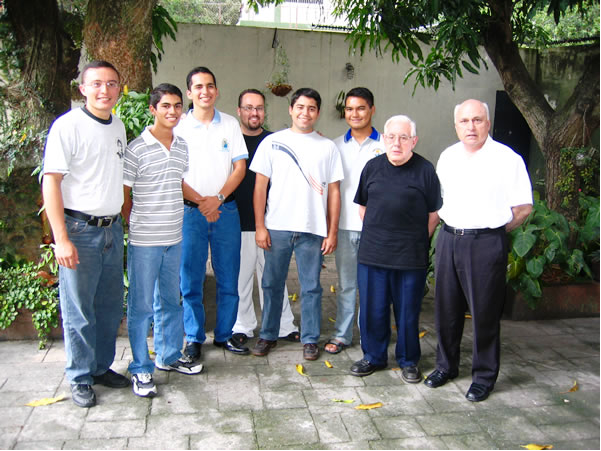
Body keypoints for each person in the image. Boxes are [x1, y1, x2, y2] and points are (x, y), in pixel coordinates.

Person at [424, 99, 533, 402]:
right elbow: (439, 200)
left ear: (488, 123)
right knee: (446, 309)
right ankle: (446, 367)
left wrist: (494, 231)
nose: (470, 126)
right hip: (449, 239)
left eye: (477, 120)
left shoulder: (507, 158)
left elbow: (523, 208)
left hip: (486, 243)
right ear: (455, 125)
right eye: (464, 121)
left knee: (484, 313)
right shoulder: (448, 156)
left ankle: (483, 377)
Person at [42, 60, 130, 408]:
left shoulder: (118, 126)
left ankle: (100, 367)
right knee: (79, 310)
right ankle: (79, 376)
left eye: (111, 83)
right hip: (79, 231)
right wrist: (61, 238)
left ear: (119, 88)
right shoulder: (67, 126)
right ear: (82, 89)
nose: (104, 90)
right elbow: (51, 182)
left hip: (111, 230)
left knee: (108, 306)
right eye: (96, 84)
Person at [250, 88, 343, 361]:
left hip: (312, 229)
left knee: (311, 287)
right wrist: (260, 226)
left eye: (311, 108)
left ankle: (310, 338)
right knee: (271, 283)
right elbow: (260, 187)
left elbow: (334, 192)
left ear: (318, 112)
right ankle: (268, 334)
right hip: (277, 227)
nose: (305, 113)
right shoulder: (272, 142)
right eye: (300, 107)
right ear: (291, 109)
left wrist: (332, 231)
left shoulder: (327, 147)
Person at [122, 83, 203, 398]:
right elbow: (124, 196)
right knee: (141, 307)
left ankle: (168, 356)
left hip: (174, 238)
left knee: (171, 301)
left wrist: (204, 201)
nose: (172, 111)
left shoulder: (182, 146)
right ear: (153, 109)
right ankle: (141, 367)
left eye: (177, 105)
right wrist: (136, 225)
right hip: (145, 241)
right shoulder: (136, 148)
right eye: (165, 106)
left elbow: (177, 183)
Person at [350, 115, 442, 383]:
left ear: (414, 141)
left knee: (408, 313)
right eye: (391, 137)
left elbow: (433, 214)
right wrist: (382, 236)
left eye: (403, 137)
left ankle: (409, 360)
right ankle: (373, 356)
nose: (396, 143)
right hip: (373, 255)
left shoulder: (425, 170)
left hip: (410, 258)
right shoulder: (372, 167)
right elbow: (363, 208)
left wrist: (414, 241)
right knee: (373, 310)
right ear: (384, 139)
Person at [176, 66, 250, 359]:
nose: (204, 91)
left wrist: (217, 199)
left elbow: (239, 168)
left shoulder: (230, 124)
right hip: (190, 213)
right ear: (189, 93)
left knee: (229, 276)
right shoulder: (178, 126)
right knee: (190, 278)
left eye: (209, 86)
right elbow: (173, 173)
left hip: (225, 211)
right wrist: (202, 201)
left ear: (217, 91)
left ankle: (225, 334)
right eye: (198, 86)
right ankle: (193, 338)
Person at [232, 89, 300, 344]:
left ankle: (283, 325)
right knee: (240, 279)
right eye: (248, 107)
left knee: (273, 278)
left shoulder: (275, 141)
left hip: (271, 222)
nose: (254, 113)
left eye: (259, 108)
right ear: (239, 111)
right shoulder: (231, 140)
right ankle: (242, 326)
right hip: (236, 221)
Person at [325, 87, 384, 355]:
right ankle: (342, 335)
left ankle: (370, 337)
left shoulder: (386, 145)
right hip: (345, 227)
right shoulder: (334, 146)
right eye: (349, 109)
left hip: (376, 231)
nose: (355, 114)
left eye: (361, 108)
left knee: (374, 287)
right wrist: (330, 228)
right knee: (347, 285)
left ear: (372, 109)